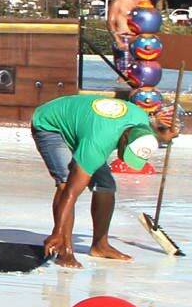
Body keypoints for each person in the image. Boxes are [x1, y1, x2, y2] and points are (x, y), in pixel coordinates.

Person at [30, 89, 174, 268]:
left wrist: (167, 136)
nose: (123, 158)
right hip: (51, 123)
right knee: (66, 182)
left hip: (86, 125)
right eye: (126, 152)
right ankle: (64, 249)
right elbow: (71, 192)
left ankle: (100, 245)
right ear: (124, 138)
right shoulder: (97, 144)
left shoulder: (142, 125)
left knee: (106, 186)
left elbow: (157, 133)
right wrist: (56, 231)